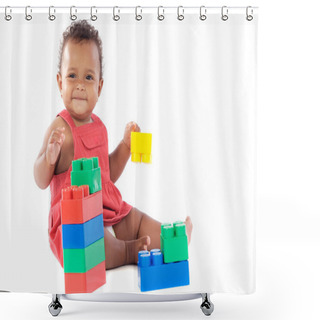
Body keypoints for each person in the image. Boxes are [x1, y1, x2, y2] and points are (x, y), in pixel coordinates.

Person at [34, 20, 192, 270]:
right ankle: (129, 251)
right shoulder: (59, 129)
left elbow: (107, 176)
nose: (80, 85)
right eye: (72, 75)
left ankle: (169, 238)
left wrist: (126, 147)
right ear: (60, 82)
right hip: (74, 223)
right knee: (92, 240)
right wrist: (49, 158)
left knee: (134, 218)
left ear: (99, 86)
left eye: (88, 77)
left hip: (106, 211)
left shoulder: (99, 127)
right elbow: (40, 180)